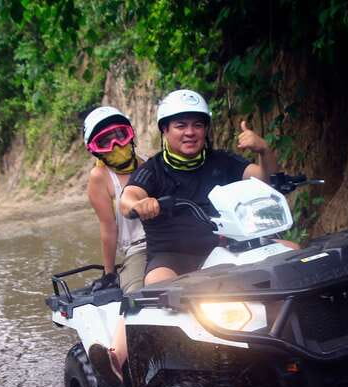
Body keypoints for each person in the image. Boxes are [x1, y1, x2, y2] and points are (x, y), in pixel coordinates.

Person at [120, 89, 280, 285]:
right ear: (165, 130)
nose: (190, 132)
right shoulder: (152, 170)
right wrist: (140, 204)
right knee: (157, 285)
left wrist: (264, 150)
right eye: (180, 125)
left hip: (224, 250)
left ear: (206, 130)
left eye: (198, 125)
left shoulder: (222, 160)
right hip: (170, 258)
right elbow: (127, 199)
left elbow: (266, 180)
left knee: (289, 252)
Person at [82, 106, 148, 384]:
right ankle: (116, 358)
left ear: (131, 135)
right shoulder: (100, 178)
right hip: (138, 249)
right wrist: (109, 273)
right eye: (106, 141)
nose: (117, 146)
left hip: (169, 239)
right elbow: (108, 229)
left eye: (121, 135)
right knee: (137, 294)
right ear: (95, 150)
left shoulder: (145, 165)